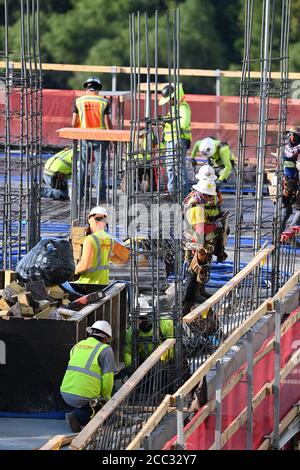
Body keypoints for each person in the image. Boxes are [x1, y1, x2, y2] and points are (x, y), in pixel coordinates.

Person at [60, 320, 116, 432]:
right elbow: (108, 378)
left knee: (88, 399)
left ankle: (79, 411)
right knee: (101, 412)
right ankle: (78, 416)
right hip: (83, 395)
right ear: (105, 338)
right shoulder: (105, 349)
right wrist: (106, 399)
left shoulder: (77, 345)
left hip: (66, 392)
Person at [183, 173, 227, 305]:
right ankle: (190, 298)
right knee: (194, 270)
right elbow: (201, 229)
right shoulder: (197, 208)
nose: (210, 198)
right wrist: (215, 225)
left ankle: (199, 292)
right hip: (196, 243)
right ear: (201, 193)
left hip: (201, 242)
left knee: (202, 268)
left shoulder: (200, 203)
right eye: (208, 195)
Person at [72, 77, 113, 202]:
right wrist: (111, 139)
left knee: (83, 167)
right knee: (99, 169)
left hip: (84, 137)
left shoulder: (78, 101)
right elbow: (107, 122)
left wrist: (76, 134)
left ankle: (79, 197)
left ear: (86, 88)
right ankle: (101, 199)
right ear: (99, 89)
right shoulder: (104, 102)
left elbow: (74, 122)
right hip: (100, 138)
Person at [159, 83, 191, 197]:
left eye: (170, 100)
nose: (168, 102)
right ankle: (172, 193)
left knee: (179, 167)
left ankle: (183, 194)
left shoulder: (183, 107)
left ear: (174, 97)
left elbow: (183, 123)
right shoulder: (174, 108)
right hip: (170, 140)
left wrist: (169, 121)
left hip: (178, 140)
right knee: (170, 167)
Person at [75, 206, 113, 285]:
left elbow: (85, 265)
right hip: (103, 283)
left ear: (89, 219)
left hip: (88, 283)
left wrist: (72, 271)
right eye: (97, 219)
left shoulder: (90, 240)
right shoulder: (109, 239)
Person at [281, 127, 300, 232]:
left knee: (287, 211)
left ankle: (285, 235)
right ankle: (281, 236)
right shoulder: (285, 146)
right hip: (285, 183)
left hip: (291, 181)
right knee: (286, 211)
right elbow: (291, 153)